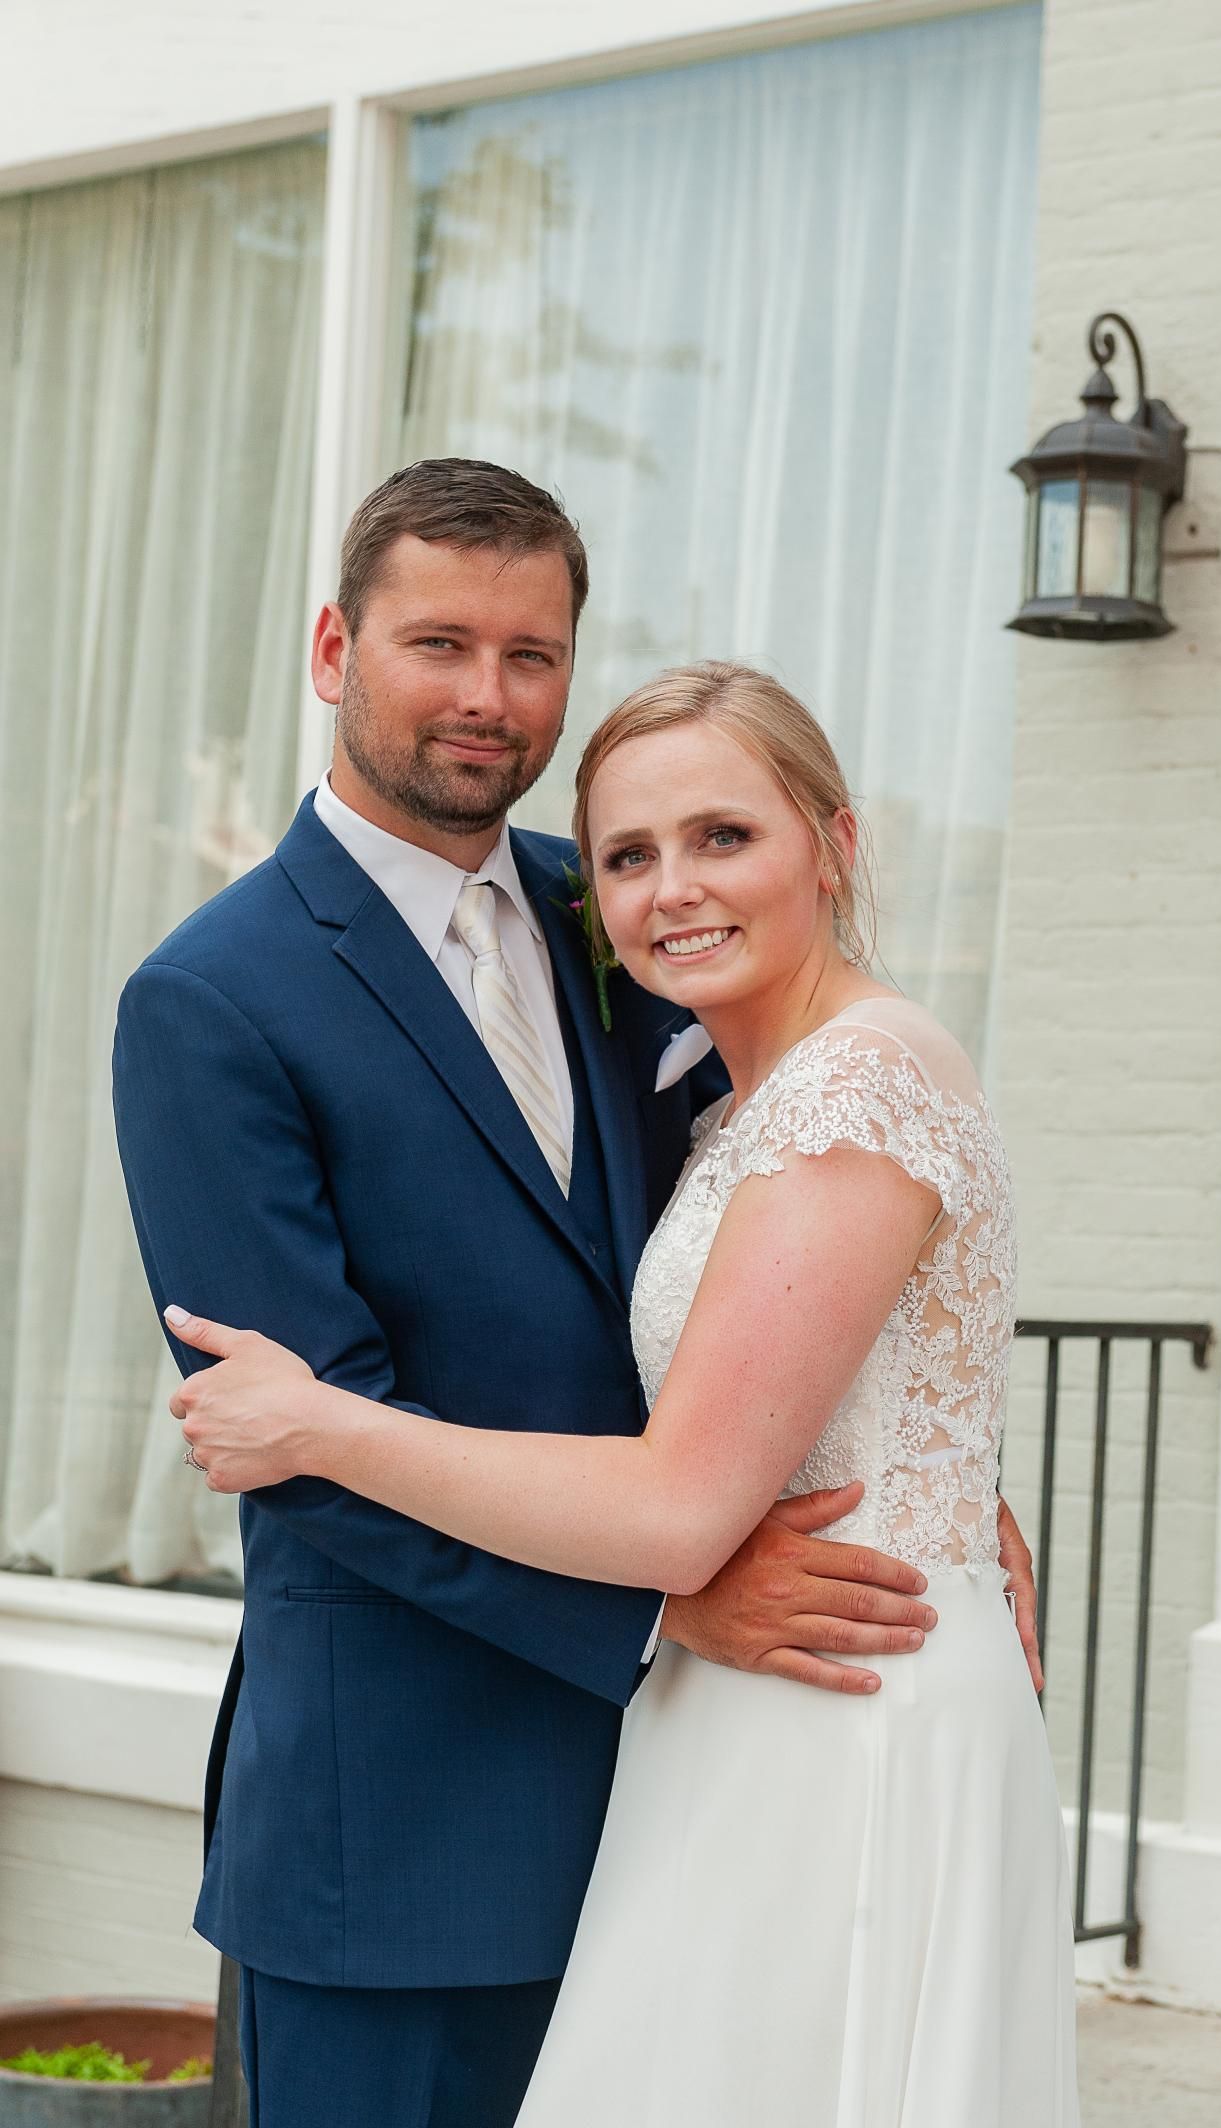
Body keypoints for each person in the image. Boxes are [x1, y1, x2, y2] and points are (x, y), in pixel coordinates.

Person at [111, 461, 1043, 2128]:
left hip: (702, 1791)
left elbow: (824, 1258)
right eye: (440, 643)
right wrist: (665, 1605)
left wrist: (950, 1485)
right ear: (336, 648)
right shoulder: (209, 1000)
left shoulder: (622, 905)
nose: (488, 695)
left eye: (532, 654)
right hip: (403, 1826)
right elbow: (307, 1451)